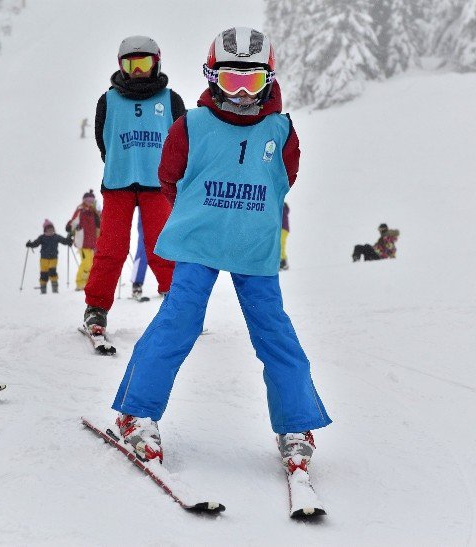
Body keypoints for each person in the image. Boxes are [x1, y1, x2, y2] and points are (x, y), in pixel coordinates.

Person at [110, 27, 331, 472]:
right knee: (179, 322)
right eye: (232, 81)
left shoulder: (281, 131)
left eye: (252, 81)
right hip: (198, 243)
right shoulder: (190, 126)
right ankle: (136, 413)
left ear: (269, 78)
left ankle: (295, 424)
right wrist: (204, 215)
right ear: (212, 77)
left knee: (275, 334)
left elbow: (283, 181)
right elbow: (168, 178)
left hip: (254, 247)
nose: (243, 94)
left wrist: (243, 215)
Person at [83, 36, 186, 335]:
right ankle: (96, 308)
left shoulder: (170, 99)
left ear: (156, 63)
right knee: (112, 248)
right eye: (131, 64)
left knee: (163, 245)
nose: (138, 71)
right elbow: (103, 141)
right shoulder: (109, 100)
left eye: (144, 64)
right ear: (121, 66)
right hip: (118, 184)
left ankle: (178, 305)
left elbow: (181, 143)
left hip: (159, 185)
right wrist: (124, 162)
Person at [66, 190, 101, 291]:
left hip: (92, 242)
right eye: (88, 200)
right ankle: (80, 283)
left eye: (92, 200)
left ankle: (87, 283)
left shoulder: (93, 212)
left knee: (92, 264)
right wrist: (69, 228)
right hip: (82, 242)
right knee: (86, 263)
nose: (90, 201)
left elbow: (99, 224)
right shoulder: (81, 210)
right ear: (84, 200)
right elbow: (74, 222)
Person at [26, 220, 73, 294]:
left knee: (52, 272)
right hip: (43, 259)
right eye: (48, 229)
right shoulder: (42, 237)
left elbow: (64, 241)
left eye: (52, 229)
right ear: (45, 230)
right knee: (43, 274)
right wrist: (30, 244)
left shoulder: (56, 237)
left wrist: (68, 241)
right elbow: (35, 244)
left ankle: (55, 290)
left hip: (53, 259)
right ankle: (43, 291)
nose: (50, 231)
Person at [130, 210, 148, 298]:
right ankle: (137, 283)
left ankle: (166, 283)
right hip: (146, 209)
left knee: (165, 251)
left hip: (165, 208)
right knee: (143, 250)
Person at [280, 202, 289, 270]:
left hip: (283, 228)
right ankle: (282, 261)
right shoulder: (282, 206)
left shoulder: (281, 206)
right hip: (283, 228)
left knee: (280, 244)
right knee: (280, 244)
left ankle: (283, 261)